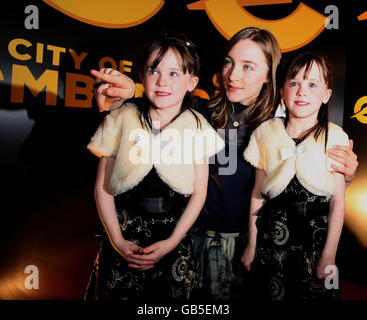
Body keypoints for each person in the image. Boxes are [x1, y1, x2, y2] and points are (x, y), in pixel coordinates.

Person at [90, 27, 358, 301]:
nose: (233, 74)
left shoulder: (279, 127)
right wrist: (120, 97)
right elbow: (151, 108)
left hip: (253, 244)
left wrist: (345, 176)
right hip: (190, 237)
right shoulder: (198, 113)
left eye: (248, 66)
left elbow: (309, 182)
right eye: (229, 62)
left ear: (269, 74)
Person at [84, 34, 224, 301]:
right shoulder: (121, 118)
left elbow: (199, 194)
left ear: (192, 82)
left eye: (174, 73)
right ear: (142, 76)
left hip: (172, 237)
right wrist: (117, 240)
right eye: (154, 71)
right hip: (123, 235)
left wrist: (172, 242)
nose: (162, 81)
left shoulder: (198, 128)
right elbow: (103, 188)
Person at [242, 51, 347, 300]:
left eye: (312, 84)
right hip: (273, 238)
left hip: (316, 241)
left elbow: (338, 201)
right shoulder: (264, 134)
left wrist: (329, 255)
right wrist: (252, 246)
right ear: (282, 92)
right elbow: (258, 195)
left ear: (326, 95)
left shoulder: (335, 136)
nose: (302, 91)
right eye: (294, 83)